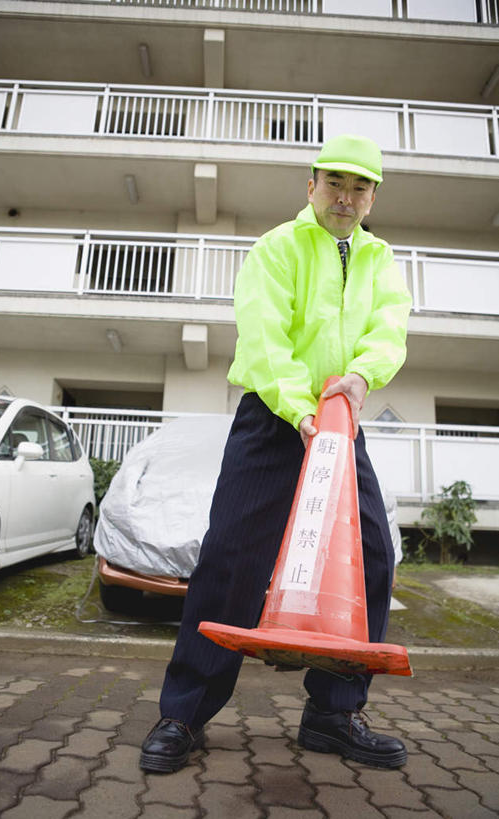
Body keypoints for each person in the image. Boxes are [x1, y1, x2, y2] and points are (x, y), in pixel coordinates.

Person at [140, 134, 412, 773]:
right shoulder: (277, 247)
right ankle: (182, 712)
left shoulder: (379, 259)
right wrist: (298, 408)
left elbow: (389, 327)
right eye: (335, 183)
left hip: (341, 421)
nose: (346, 198)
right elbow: (264, 339)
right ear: (310, 184)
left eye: (360, 187)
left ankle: (333, 713)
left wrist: (364, 378)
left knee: (372, 553)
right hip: (275, 418)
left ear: (373, 197)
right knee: (232, 557)